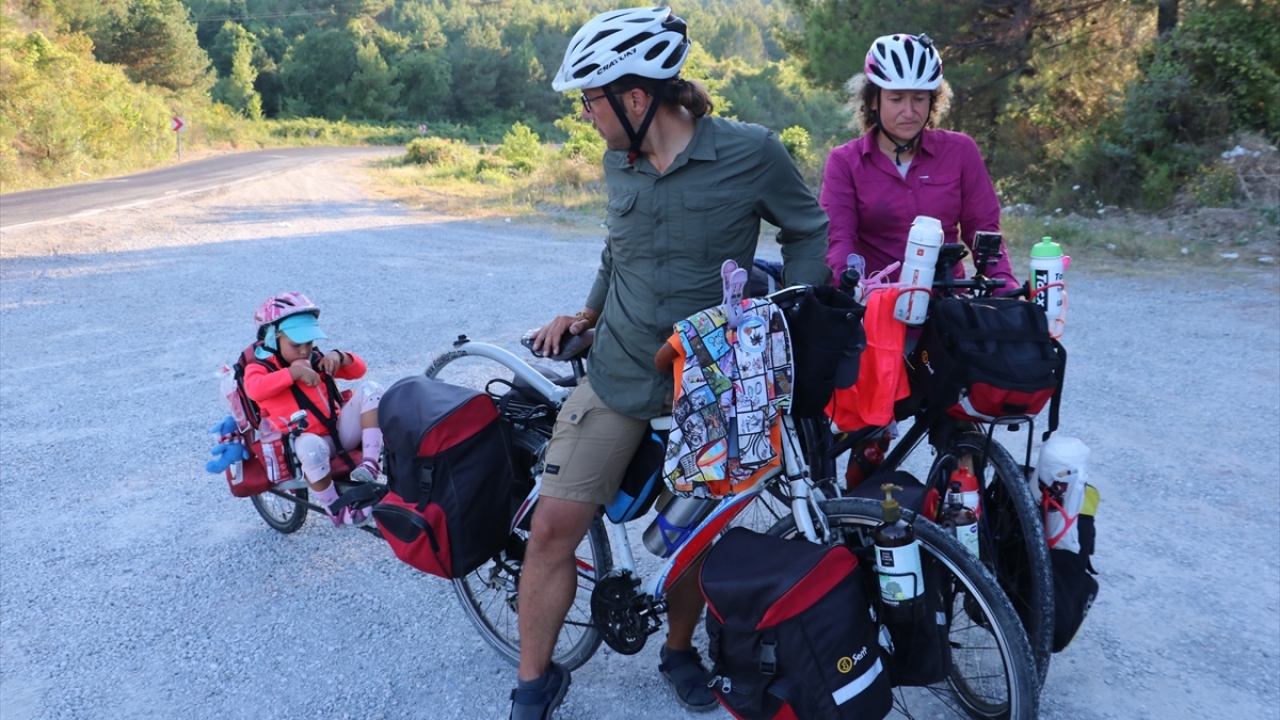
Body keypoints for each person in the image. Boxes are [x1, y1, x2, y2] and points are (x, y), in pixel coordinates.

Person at [511, 6, 832, 719]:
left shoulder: (751, 152)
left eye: (590, 101)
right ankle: (534, 683)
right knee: (553, 527)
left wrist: (793, 318)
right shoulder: (616, 160)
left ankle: (679, 652)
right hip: (619, 375)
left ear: (634, 98)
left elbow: (808, 228)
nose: (584, 115)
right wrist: (588, 312)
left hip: (706, 388)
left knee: (695, 539)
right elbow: (616, 249)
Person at [820, 33, 1017, 287]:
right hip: (876, 307)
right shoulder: (844, 162)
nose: (909, 112)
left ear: (933, 100)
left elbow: (985, 232)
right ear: (872, 101)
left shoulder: (961, 151)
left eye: (919, 98)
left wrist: (1007, 292)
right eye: (896, 99)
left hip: (947, 304)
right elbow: (838, 239)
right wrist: (847, 288)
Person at [242, 292, 384, 527]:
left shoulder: (316, 359)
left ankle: (370, 463)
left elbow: (359, 371)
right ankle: (336, 510)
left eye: (309, 342)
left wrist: (340, 357)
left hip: (339, 434)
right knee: (310, 447)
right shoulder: (261, 368)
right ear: (271, 338)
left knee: (372, 390)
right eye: (296, 344)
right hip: (304, 444)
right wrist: (293, 373)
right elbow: (254, 390)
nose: (304, 351)